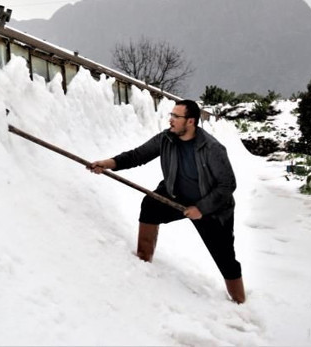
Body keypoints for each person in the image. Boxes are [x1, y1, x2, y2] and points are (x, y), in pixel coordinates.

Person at [90, 99, 246, 304]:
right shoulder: (166, 139)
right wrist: (108, 163)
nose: (170, 120)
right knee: (150, 206)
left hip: (211, 208)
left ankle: (240, 302)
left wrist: (201, 208)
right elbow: (138, 155)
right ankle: (143, 262)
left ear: (190, 121)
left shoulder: (212, 148)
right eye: (171, 115)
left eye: (176, 116)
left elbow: (227, 186)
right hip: (176, 195)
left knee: (225, 258)